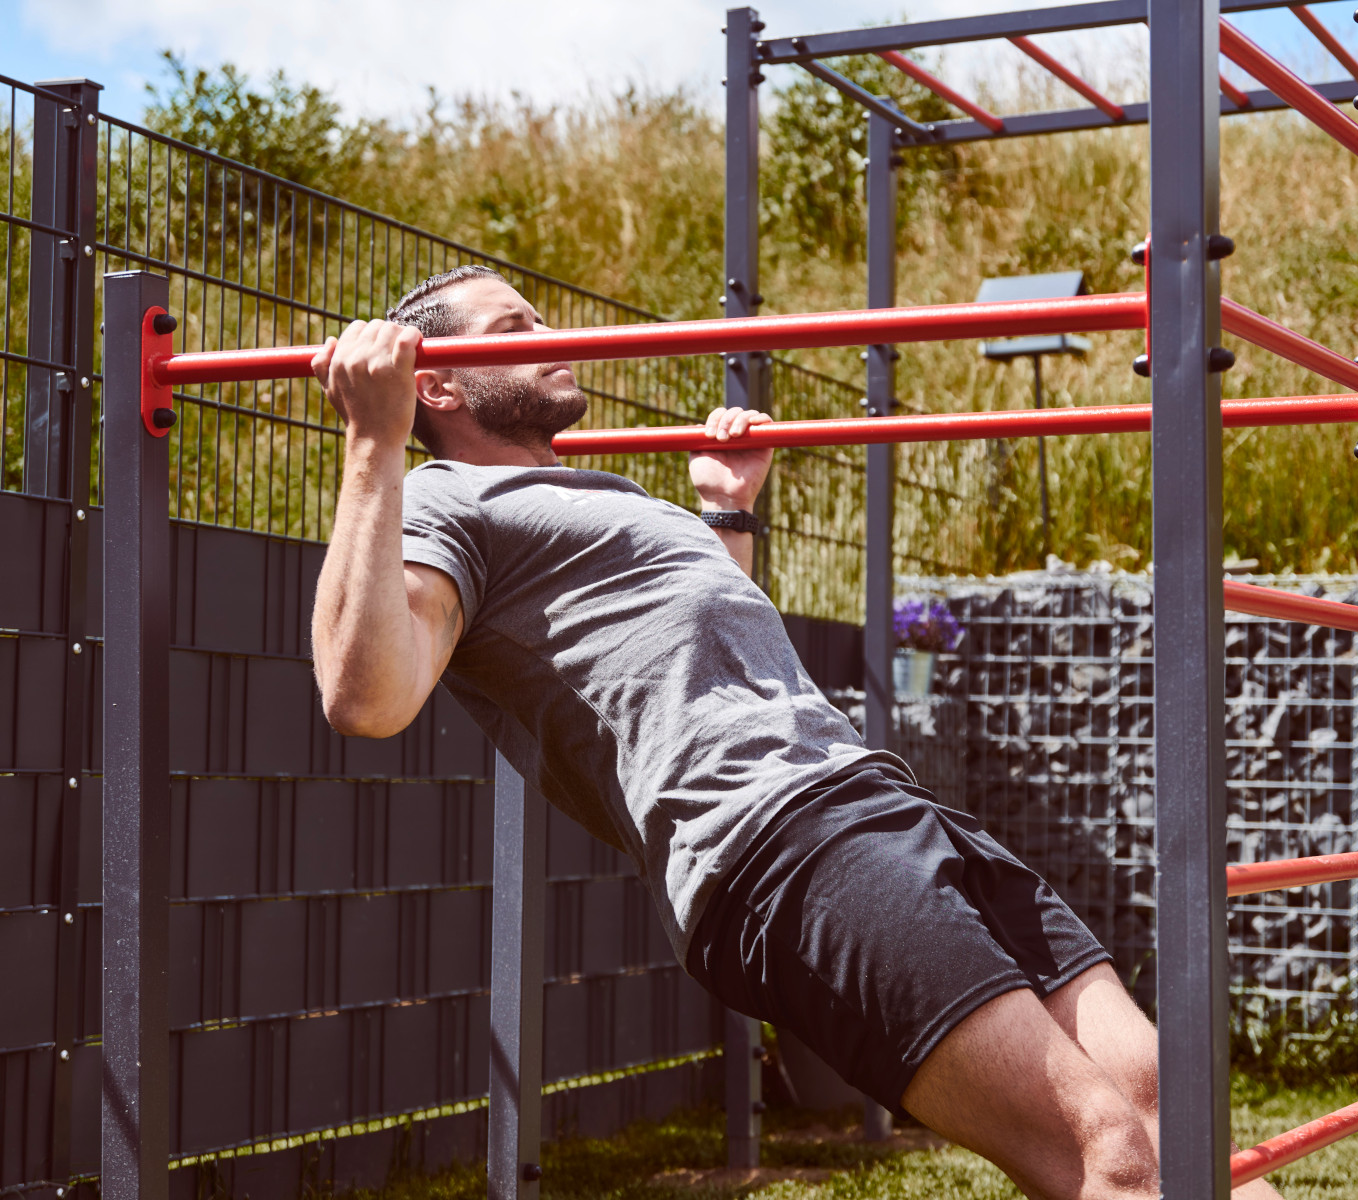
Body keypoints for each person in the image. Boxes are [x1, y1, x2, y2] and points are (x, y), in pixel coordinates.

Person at [309, 265, 1273, 1200]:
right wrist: (373, 443)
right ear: (434, 382)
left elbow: (705, 659)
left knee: (1166, 1106)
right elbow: (366, 698)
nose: (547, 336)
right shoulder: (440, 500)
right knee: (1106, 1153)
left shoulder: (601, 494)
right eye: (512, 331)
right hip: (777, 846)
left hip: (872, 797)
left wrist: (726, 507)